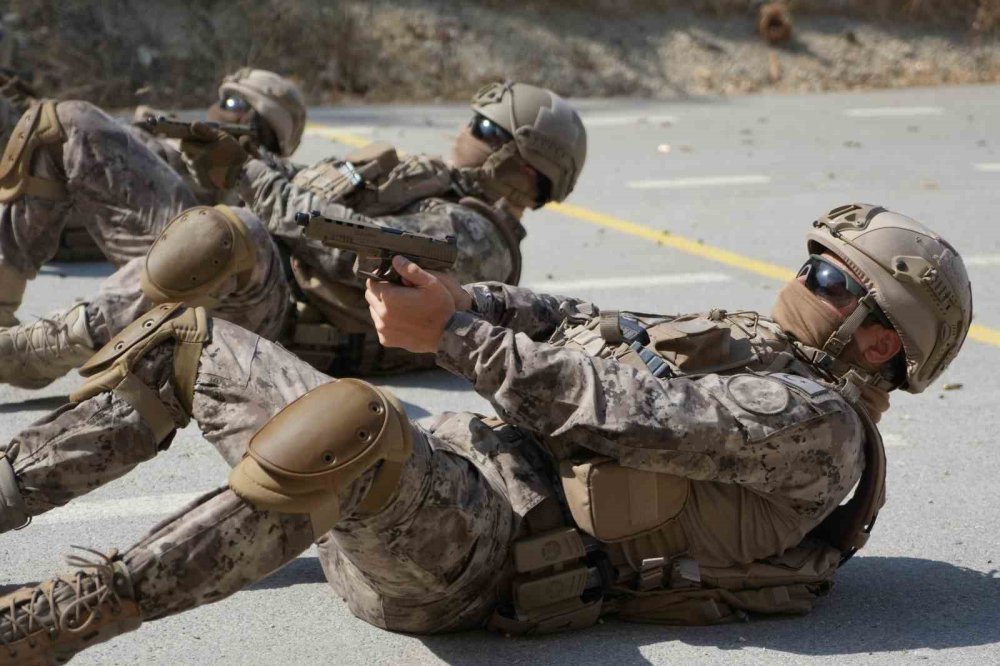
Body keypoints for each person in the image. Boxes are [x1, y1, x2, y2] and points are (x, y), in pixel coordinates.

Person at [0, 203, 972, 662]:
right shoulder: (752, 345)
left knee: (351, 419)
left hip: (483, 560)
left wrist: (453, 338)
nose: (805, 278)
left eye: (833, 280)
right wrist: (465, 297)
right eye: (813, 260)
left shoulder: (818, 427)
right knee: (190, 342)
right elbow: (586, 320)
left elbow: (622, 410)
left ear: (879, 339)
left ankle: (63, 621)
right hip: (440, 490)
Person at [240, 80, 588, 374]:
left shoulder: (477, 238)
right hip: (274, 279)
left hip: (284, 316)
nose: (465, 132)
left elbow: (343, 242)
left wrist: (253, 179)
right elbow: (311, 187)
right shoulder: (444, 192)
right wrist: (245, 158)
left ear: (523, 170)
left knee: (224, 233)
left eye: (484, 129)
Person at [0, 85, 290, 388]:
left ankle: (28, 351)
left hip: (265, 319)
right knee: (63, 121)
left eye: (236, 103)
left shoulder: (286, 177)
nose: (224, 107)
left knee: (224, 231)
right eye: (225, 99)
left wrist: (244, 170)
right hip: (185, 264)